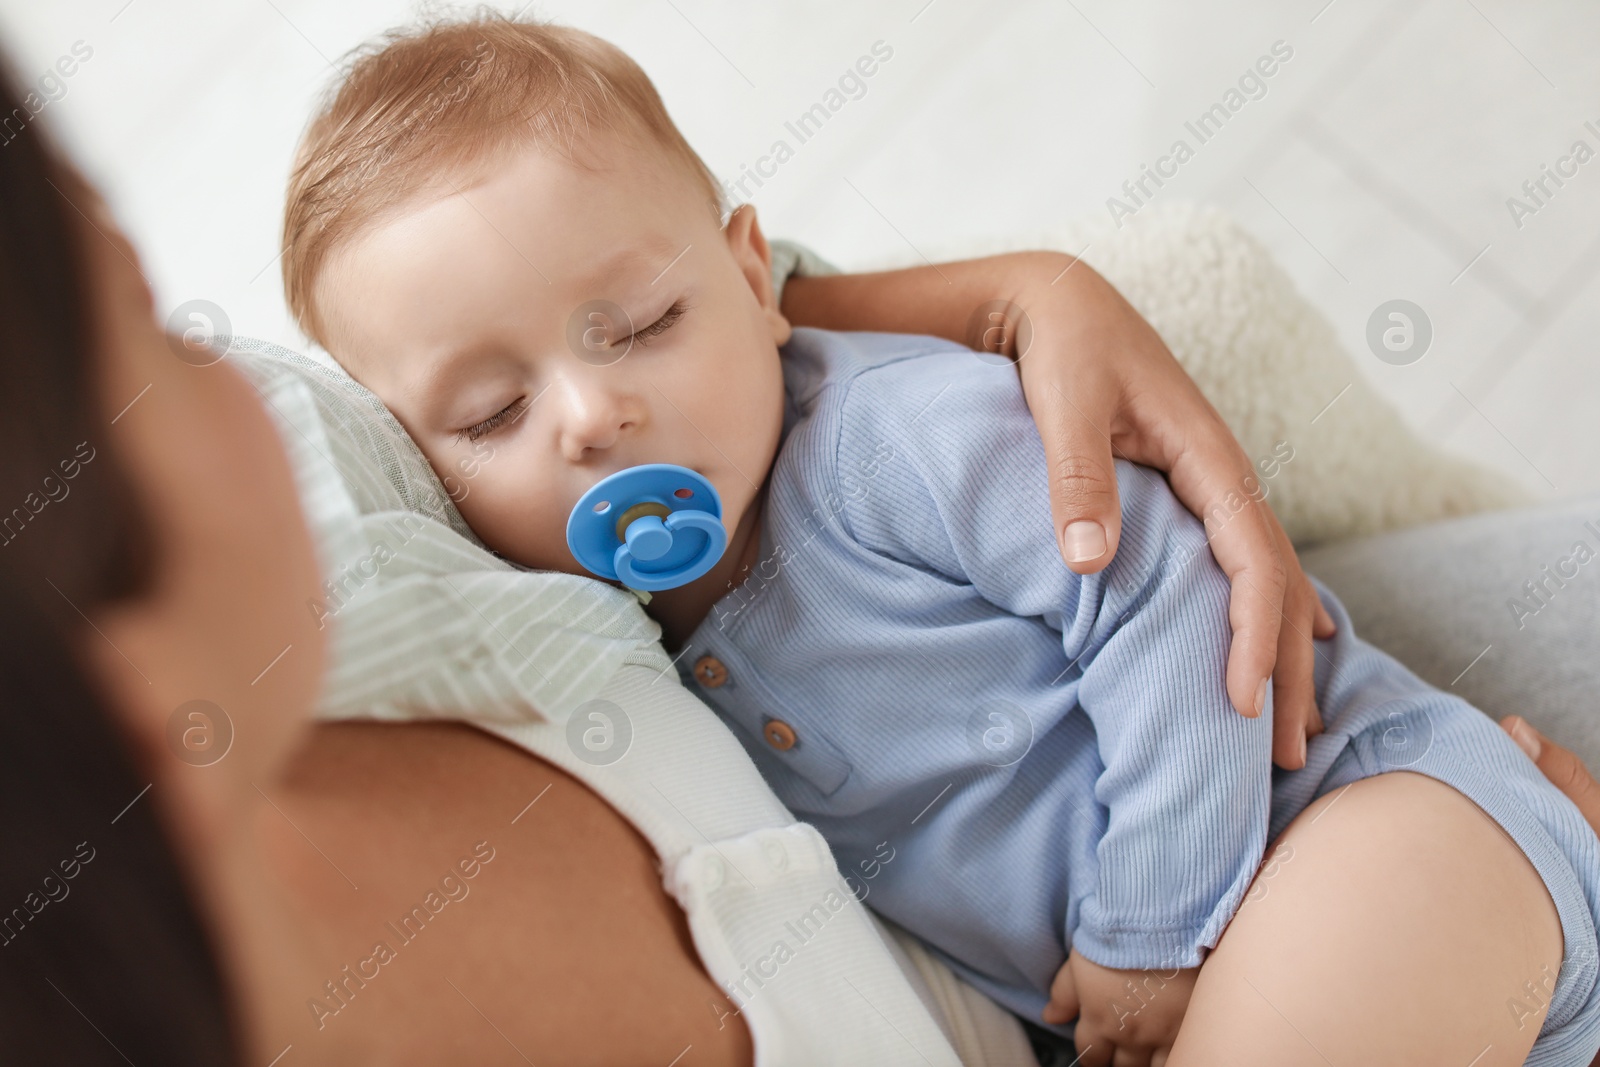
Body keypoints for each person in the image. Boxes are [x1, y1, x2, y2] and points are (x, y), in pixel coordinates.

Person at [1, 34, 1594, 1067]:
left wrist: (1150, 931)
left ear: (758, 275)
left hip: (1357, 827)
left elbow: (1177, 617)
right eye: (489, 413)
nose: (591, 416)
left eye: (638, 325)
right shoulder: (609, 628)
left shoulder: (897, 441)